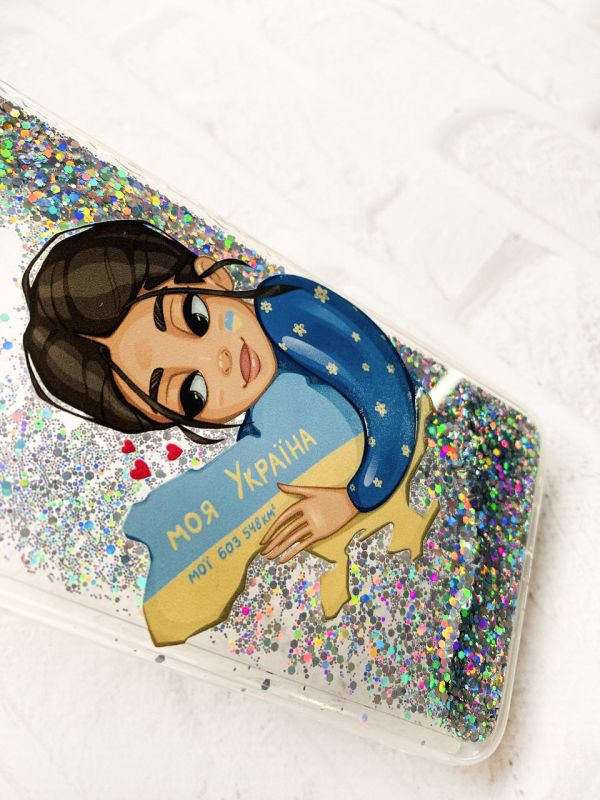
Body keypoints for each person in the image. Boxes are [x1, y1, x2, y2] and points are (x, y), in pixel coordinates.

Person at [22, 219, 418, 561]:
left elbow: (390, 397)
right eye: (191, 391)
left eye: (195, 318)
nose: (220, 360)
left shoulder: (285, 310)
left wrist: (354, 499)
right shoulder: (261, 433)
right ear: (168, 420)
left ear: (212, 275)